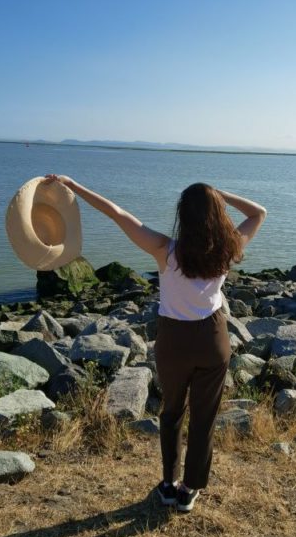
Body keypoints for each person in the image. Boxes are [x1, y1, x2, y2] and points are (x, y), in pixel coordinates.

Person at [44, 175, 267, 511]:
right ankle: (189, 489)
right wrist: (218, 195)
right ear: (217, 215)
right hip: (212, 338)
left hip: (174, 339)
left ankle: (168, 484)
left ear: (183, 215)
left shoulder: (165, 250)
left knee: (172, 412)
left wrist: (73, 186)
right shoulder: (229, 248)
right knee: (204, 418)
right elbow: (259, 212)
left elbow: (117, 213)